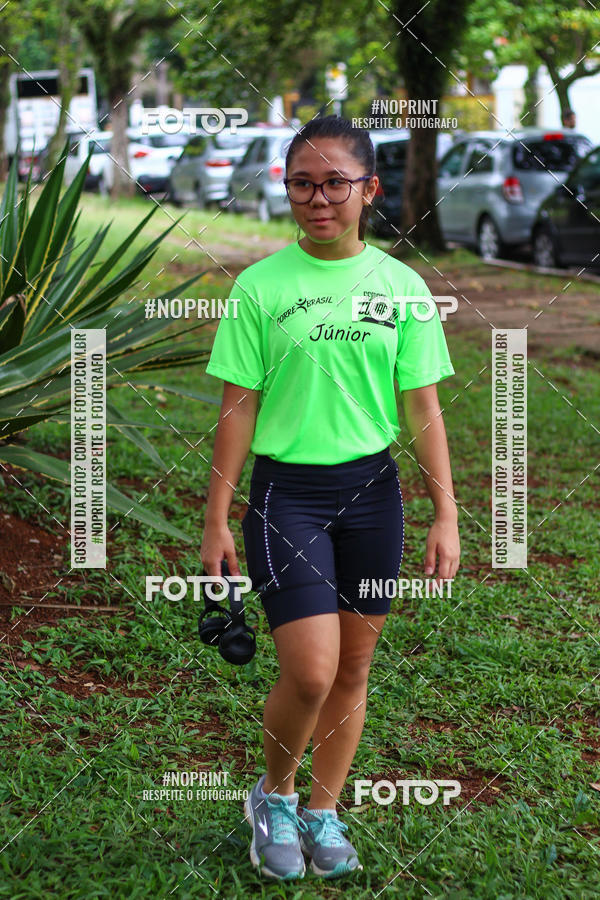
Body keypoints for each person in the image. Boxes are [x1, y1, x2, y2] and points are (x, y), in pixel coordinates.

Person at [201, 114, 460, 881]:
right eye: (303, 184)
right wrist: (215, 516)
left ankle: (323, 808)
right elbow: (237, 406)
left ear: (369, 190)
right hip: (289, 494)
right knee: (311, 670)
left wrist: (447, 512)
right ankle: (273, 796)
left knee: (353, 669)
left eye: (335, 183)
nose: (319, 199)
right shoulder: (260, 286)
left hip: (373, 493)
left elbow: (423, 409)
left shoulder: (403, 286)